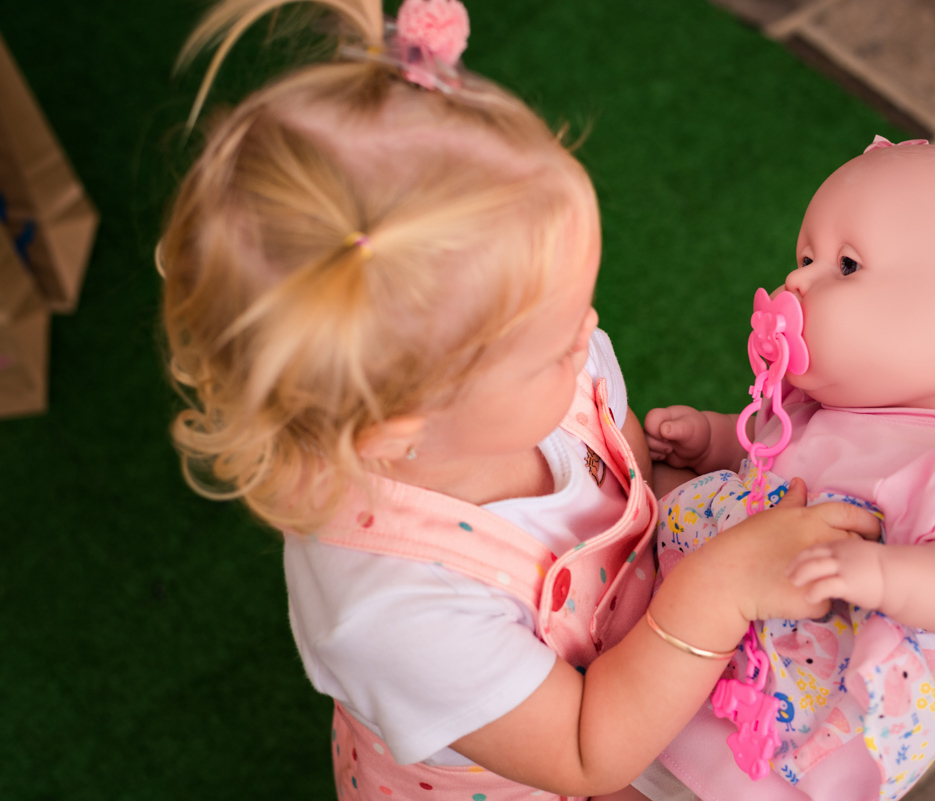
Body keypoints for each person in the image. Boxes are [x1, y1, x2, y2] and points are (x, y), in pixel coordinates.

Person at [157, 1, 883, 799]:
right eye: (557, 340)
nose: (592, 334)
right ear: (401, 422)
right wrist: (722, 587)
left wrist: (693, 494)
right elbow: (584, 751)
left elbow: (626, 493)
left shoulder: (547, 377)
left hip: (645, 675)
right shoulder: (394, 606)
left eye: (580, 305)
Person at [639, 137, 935, 801]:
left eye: (845, 264)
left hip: (776, 745)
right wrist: (710, 442)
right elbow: (759, 465)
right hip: (667, 670)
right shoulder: (807, 410)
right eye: (805, 257)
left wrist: (884, 573)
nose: (796, 282)